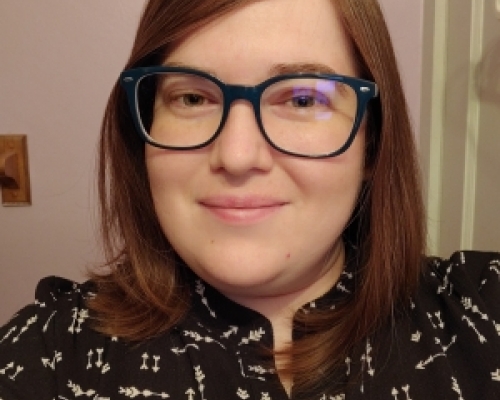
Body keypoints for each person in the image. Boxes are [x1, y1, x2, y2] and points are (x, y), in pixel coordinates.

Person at [1, 0, 499, 398]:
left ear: (373, 141)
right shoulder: (47, 355)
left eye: (303, 100)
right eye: (191, 98)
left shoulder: (483, 317)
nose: (237, 156)